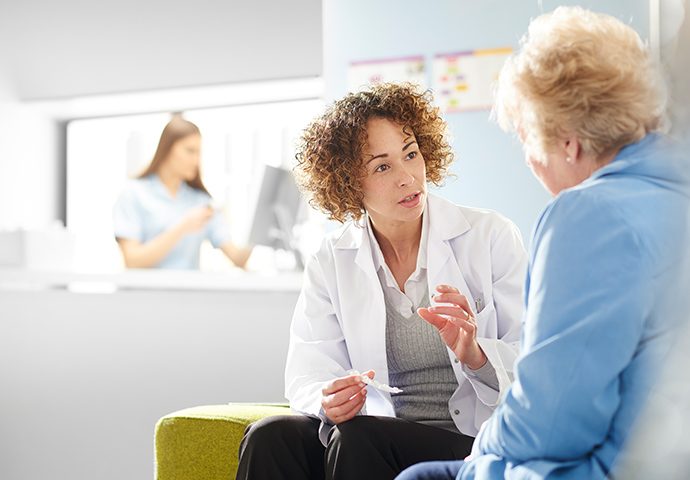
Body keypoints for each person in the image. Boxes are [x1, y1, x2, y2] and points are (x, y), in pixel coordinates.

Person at [397, 6, 690, 480]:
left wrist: (482, 451)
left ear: (568, 144)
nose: (531, 162)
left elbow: (551, 419)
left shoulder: (589, 214)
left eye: (528, 140)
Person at [235, 82, 527, 479]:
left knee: (359, 437)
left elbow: (532, 362)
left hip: (468, 441)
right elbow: (308, 369)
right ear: (348, 182)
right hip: (369, 435)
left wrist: (475, 352)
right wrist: (330, 401)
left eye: (411, 154)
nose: (408, 177)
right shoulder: (332, 259)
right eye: (383, 166)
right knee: (270, 436)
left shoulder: (490, 236)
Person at [112, 115, 252, 269]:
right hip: (146, 293)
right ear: (167, 150)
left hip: (187, 292)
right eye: (190, 151)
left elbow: (238, 259)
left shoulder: (201, 201)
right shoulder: (134, 194)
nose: (196, 161)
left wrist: (259, 227)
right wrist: (183, 226)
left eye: (198, 153)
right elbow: (132, 262)